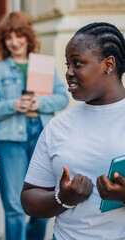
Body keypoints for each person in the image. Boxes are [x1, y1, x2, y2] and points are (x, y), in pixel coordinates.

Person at [21, 22, 125, 240]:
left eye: (77, 63)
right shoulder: (58, 125)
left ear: (108, 64)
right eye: (67, 64)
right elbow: (29, 200)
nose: (68, 72)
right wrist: (63, 198)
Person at [0, 11, 69, 240]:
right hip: (10, 142)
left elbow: (62, 98)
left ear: (28, 37)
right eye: (9, 37)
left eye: (19, 35)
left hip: (41, 137)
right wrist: (13, 104)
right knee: (15, 207)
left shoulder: (44, 65)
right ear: (3, 40)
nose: (14, 42)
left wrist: (40, 102)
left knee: (43, 204)